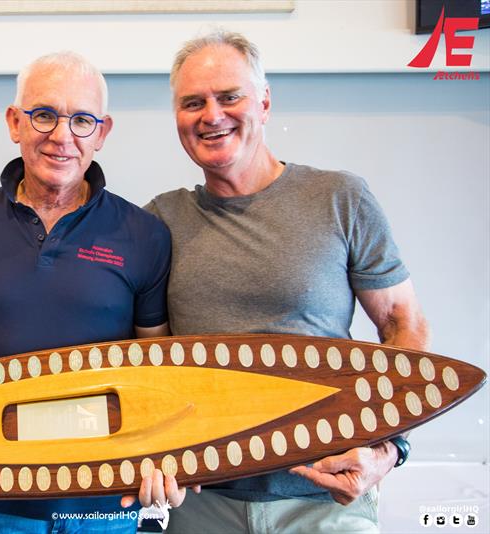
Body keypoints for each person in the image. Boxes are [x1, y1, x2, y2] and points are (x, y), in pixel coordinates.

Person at [140, 30, 430, 533]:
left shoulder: (340, 198)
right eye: (193, 103)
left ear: (265, 102)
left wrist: (389, 449)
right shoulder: (158, 221)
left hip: (324, 501)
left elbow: (405, 327)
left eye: (229, 96)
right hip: (203, 505)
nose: (212, 115)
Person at [0, 51, 172, 533]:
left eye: (82, 121)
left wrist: (166, 453)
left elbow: (157, 363)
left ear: (102, 133)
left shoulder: (145, 234)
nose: (62, 137)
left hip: (103, 500)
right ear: (14, 122)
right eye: (44, 115)